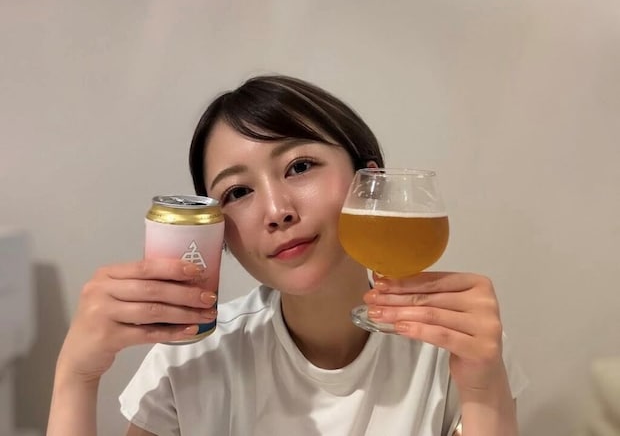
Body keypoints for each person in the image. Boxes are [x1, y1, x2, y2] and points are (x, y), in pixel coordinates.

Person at [47, 75, 528, 436]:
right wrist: (76, 375)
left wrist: (482, 387)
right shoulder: (192, 361)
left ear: (370, 183)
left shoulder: (454, 344)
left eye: (300, 166)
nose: (277, 211)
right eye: (238, 192)